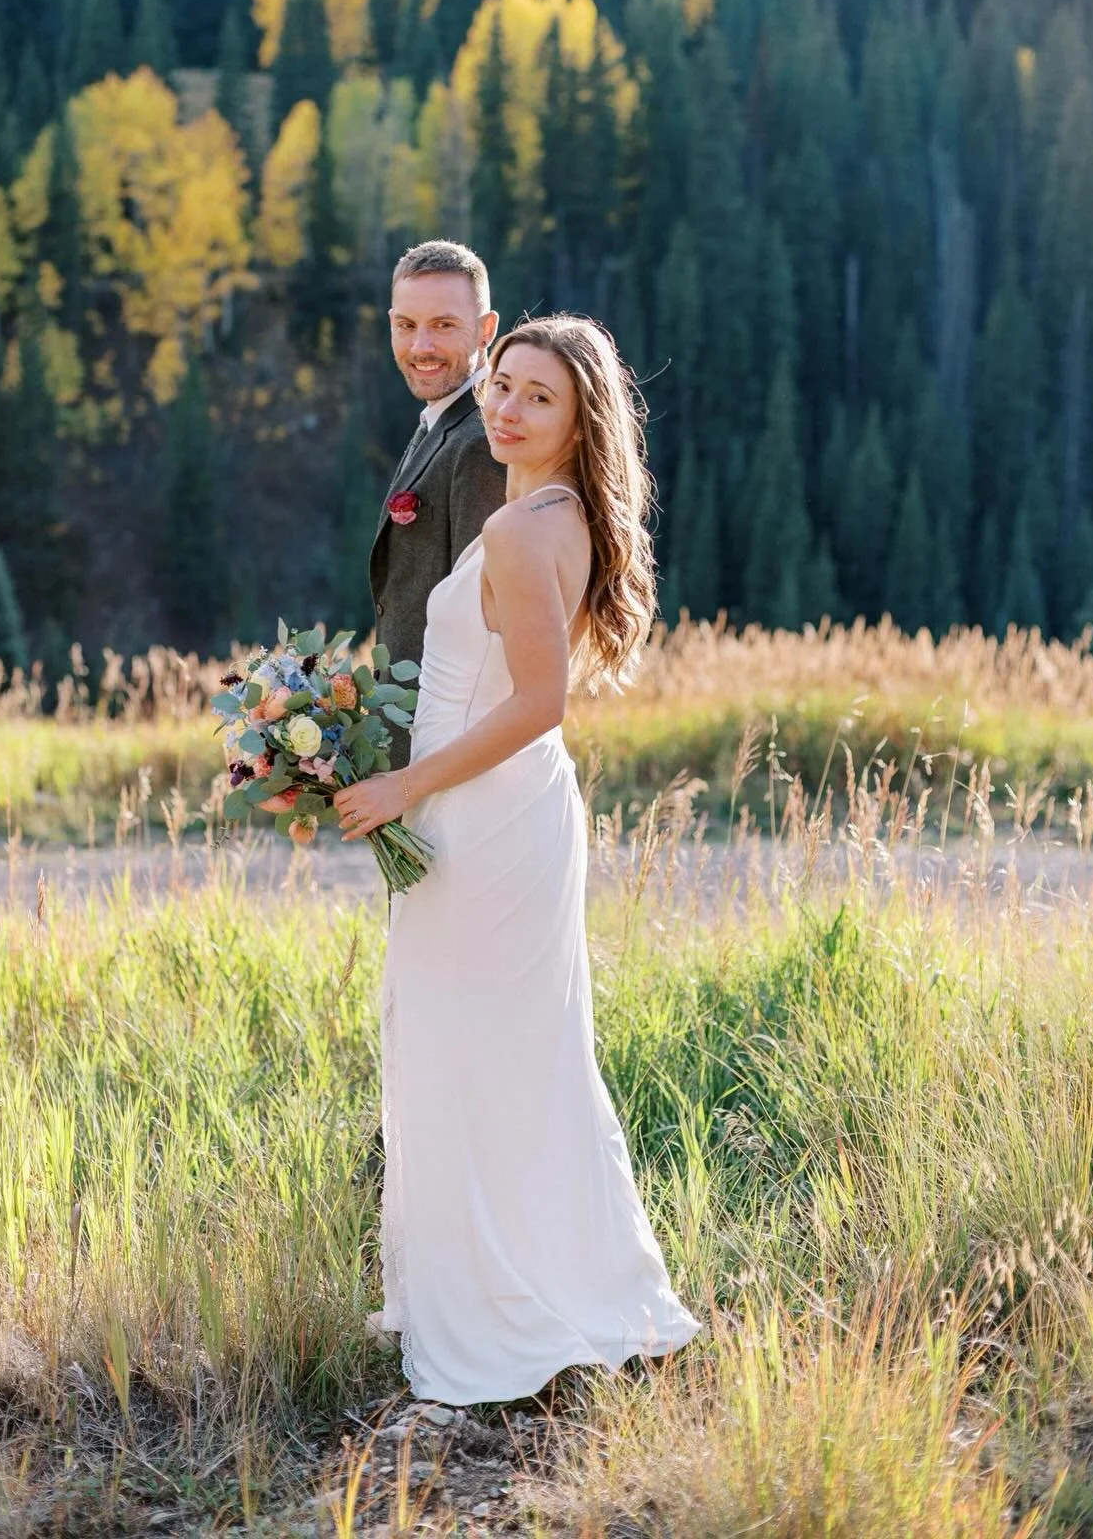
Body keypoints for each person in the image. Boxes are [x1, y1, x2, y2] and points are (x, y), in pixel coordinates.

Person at [335, 314, 700, 1407]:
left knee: (468, 1057)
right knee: (508, 1058)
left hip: (483, 819)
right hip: (495, 814)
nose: (504, 407)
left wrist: (404, 785)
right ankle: (533, 1284)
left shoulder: (523, 531)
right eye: (501, 386)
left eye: (537, 396)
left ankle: (496, 1314)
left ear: (579, 418)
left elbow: (540, 704)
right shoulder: (549, 512)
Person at [369, 240, 508, 769]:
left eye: (444, 326)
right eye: (406, 325)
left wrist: (423, 776)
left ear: (486, 329)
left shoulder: (481, 443)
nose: (420, 345)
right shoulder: (440, 422)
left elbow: (485, 625)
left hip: (447, 749)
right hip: (412, 742)